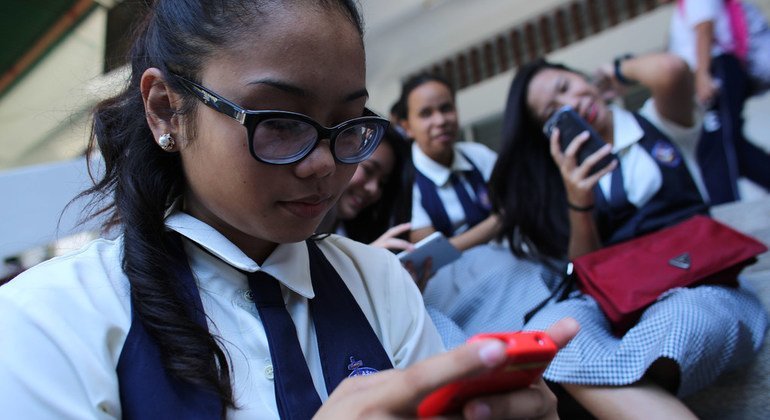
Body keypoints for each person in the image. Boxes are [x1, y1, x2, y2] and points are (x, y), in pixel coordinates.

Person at [0, 1, 580, 418]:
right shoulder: (48, 321)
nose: (325, 163)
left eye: (349, 124)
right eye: (279, 122)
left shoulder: (377, 282)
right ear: (165, 110)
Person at [488, 53, 767, 418]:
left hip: (698, 281)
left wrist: (612, 71)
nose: (571, 104)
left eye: (566, 87)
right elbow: (583, 268)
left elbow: (671, 71)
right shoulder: (563, 179)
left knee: (680, 317)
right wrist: (579, 201)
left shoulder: (657, 122)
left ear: (584, 76)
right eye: (552, 111)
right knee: (552, 333)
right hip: (622, 302)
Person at [668, 0, 770, 203]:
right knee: (730, 144)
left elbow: (705, 27)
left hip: (718, 68)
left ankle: (727, 212)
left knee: (716, 147)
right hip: (716, 69)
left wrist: (703, 75)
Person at [397, 74, 501, 251]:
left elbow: (520, 201)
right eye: (426, 113)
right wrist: (501, 220)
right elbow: (433, 253)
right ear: (407, 127)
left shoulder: (478, 155)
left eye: (446, 108)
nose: (440, 121)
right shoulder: (404, 183)